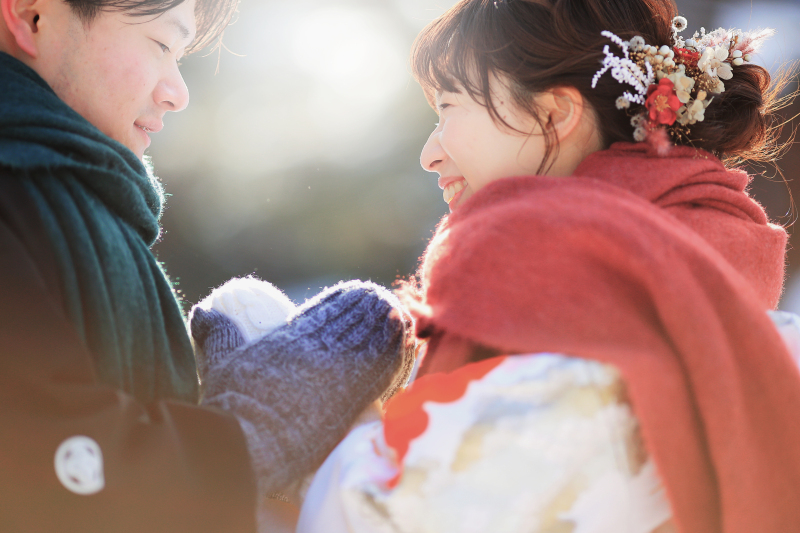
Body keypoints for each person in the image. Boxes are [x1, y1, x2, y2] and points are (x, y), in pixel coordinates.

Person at [277, 1, 800, 532]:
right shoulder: (706, 263)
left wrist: (306, 408)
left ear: (555, 114)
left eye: (449, 107)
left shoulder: (558, 297)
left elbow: (405, 516)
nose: (429, 154)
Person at [0, 0, 411, 531]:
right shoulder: (20, 195)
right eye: (161, 45)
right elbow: (38, 464)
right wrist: (254, 427)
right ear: (32, 16)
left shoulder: (64, 195)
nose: (177, 91)